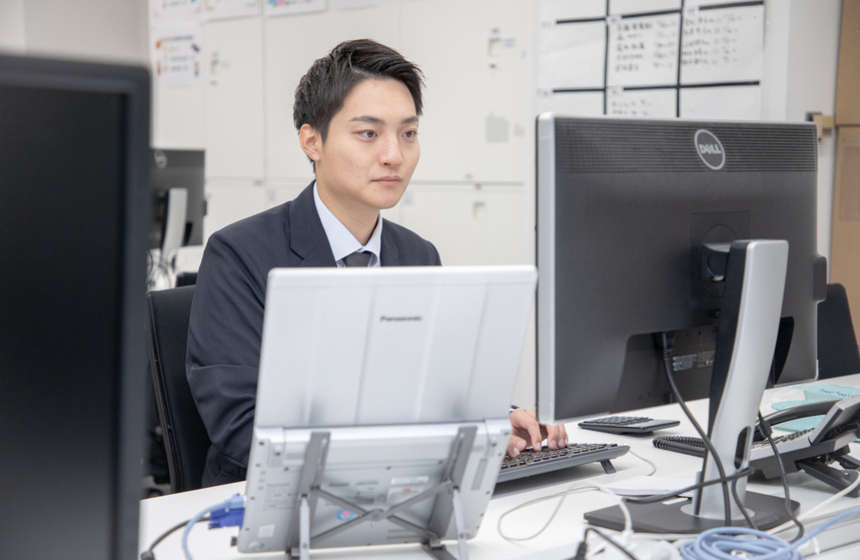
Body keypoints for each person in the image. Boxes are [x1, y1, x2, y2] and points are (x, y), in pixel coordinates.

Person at [186, 39, 567, 488]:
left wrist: (494, 419)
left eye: (408, 133)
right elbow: (244, 428)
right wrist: (428, 450)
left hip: (404, 490)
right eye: (368, 134)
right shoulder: (240, 255)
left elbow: (437, 390)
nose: (394, 155)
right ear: (312, 141)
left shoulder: (418, 256)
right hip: (269, 500)